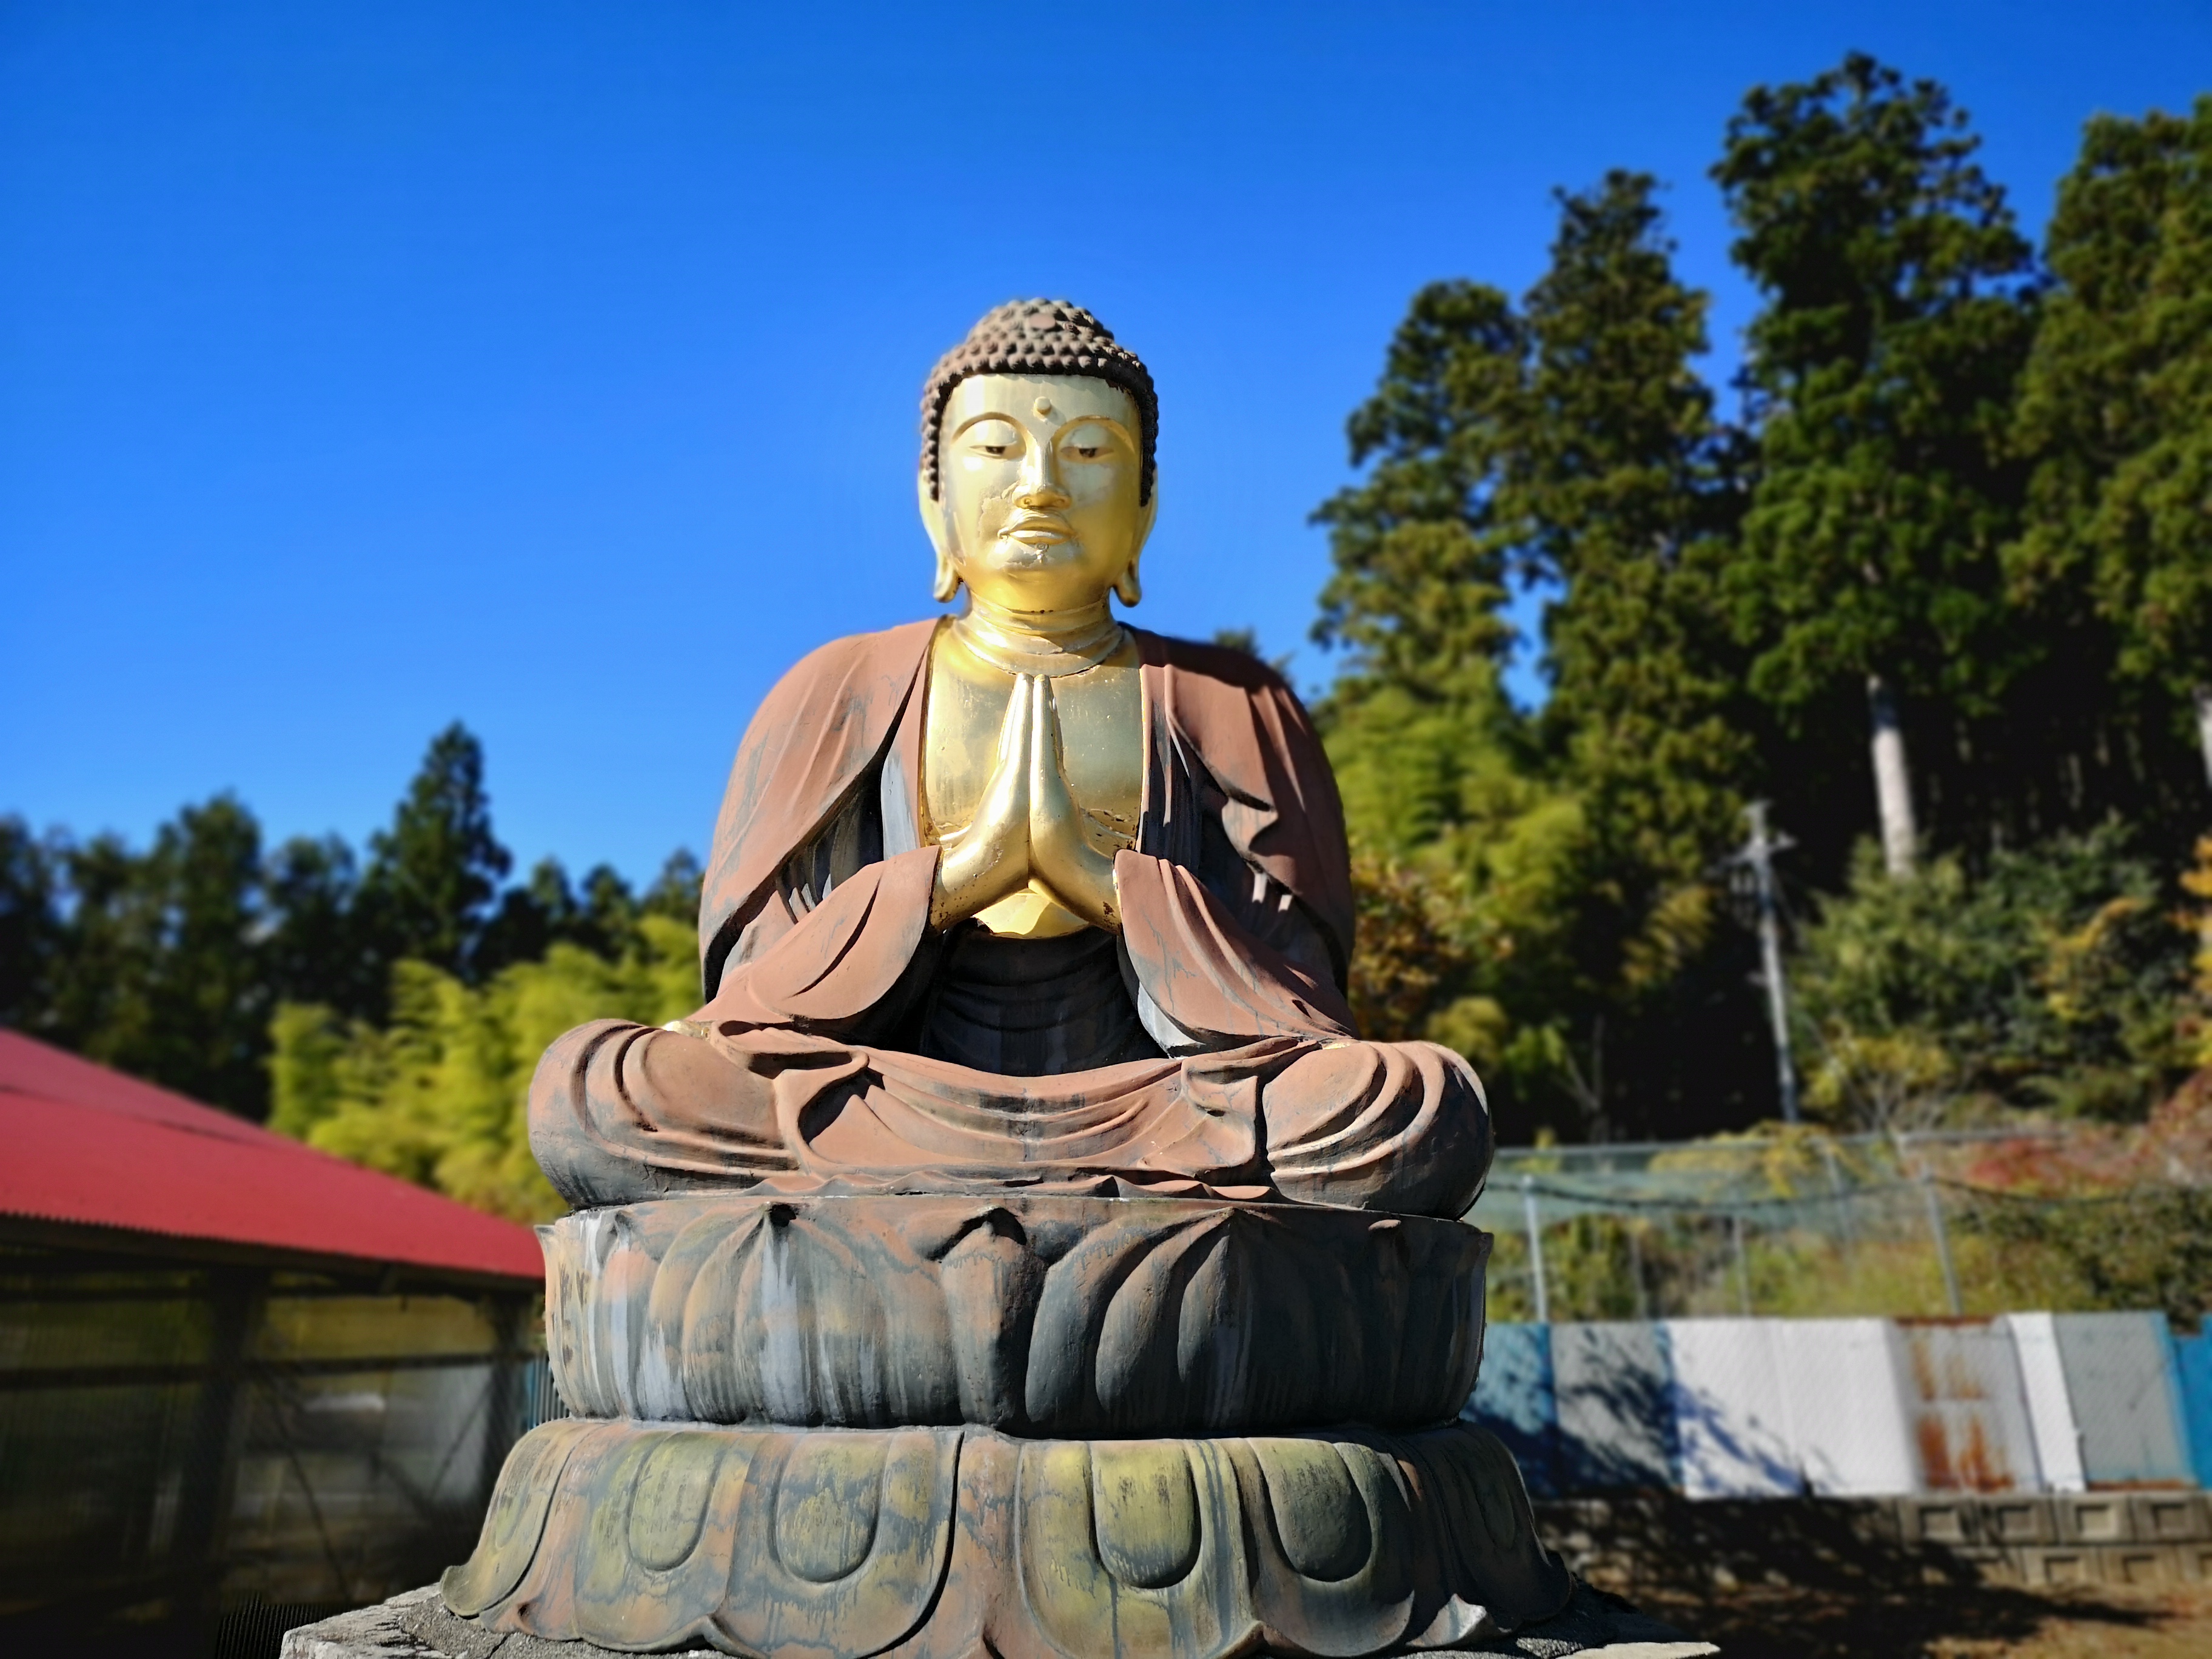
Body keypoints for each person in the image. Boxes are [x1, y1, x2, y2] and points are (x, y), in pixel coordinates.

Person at [529, 300, 1492, 1218]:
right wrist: (952, 883)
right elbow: (755, 999)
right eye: (995, 448)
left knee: (1411, 1102)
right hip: (882, 1097)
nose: (1039, 485)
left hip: (1165, 1106)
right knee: (603, 1091)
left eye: (1089, 451)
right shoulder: (838, 687)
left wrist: (1104, 887)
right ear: (933, 502)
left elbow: (1298, 1004)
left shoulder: (1233, 700)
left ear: (1146, 508)